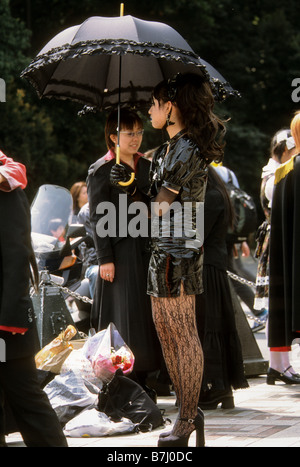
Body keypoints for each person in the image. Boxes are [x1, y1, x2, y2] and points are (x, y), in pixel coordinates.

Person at [111, 72, 226, 447]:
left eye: (154, 103)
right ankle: (186, 412)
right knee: (167, 335)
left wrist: (131, 187)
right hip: (163, 250)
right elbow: (153, 199)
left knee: (182, 335)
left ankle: (188, 416)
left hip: (179, 251)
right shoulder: (168, 148)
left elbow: (159, 208)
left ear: (171, 106)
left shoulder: (186, 149)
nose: (149, 110)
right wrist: (129, 180)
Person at [87, 109, 163, 396]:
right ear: (113, 136)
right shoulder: (101, 170)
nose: (136, 138)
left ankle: (148, 377)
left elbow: (158, 203)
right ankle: (124, 378)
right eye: (129, 133)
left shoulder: (148, 166)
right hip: (120, 252)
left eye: (139, 132)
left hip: (148, 249)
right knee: (125, 316)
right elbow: (97, 218)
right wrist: (105, 258)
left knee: (147, 314)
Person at [0, 151, 68, 447]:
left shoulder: (7, 184)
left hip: (5, 321)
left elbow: (16, 256)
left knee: (28, 401)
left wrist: (9, 320)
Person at [196, 166, 249, 410]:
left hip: (206, 268)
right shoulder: (216, 192)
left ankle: (214, 388)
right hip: (210, 266)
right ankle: (221, 389)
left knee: (209, 327)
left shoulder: (210, 196)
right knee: (213, 326)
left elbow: (196, 235)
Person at [267, 117, 300, 384]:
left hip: (289, 255)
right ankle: (278, 366)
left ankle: (279, 365)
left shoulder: (283, 173)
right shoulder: (282, 172)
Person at [214, 164, 264, 332]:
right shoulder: (228, 172)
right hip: (232, 229)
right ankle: (260, 304)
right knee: (234, 269)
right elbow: (237, 203)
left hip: (218, 230)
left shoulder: (207, 169)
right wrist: (240, 239)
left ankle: (260, 310)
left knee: (230, 272)